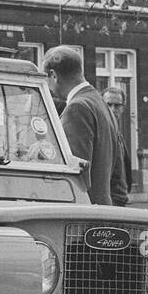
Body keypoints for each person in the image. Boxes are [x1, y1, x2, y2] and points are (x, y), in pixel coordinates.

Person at [43, 45, 117, 206]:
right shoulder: (99, 102)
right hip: (101, 206)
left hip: (83, 211)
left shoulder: (77, 107)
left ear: (53, 76)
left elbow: (74, 172)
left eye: (46, 79)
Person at [103, 86, 132, 207]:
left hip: (120, 199)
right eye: (108, 105)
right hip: (111, 200)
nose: (112, 109)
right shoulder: (103, 133)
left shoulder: (117, 132)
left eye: (117, 105)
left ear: (123, 108)